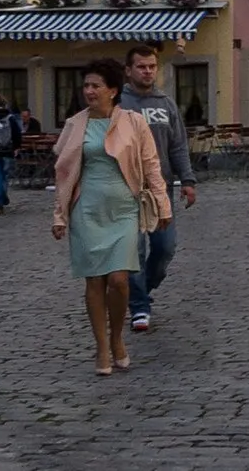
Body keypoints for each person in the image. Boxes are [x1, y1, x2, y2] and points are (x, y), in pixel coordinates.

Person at [52, 58, 170, 377]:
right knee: (94, 280)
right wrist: (60, 215)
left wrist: (163, 204)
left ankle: (117, 337)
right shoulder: (76, 124)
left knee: (119, 280)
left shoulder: (134, 122)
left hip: (123, 209)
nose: (89, 91)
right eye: (86, 85)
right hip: (87, 209)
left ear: (112, 91)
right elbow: (63, 174)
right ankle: (102, 347)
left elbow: (151, 166)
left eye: (96, 86)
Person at [121, 44, 196, 331]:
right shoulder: (118, 104)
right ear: (129, 70)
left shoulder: (166, 103)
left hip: (160, 188)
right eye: (141, 66)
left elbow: (178, 145)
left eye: (152, 66)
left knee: (165, 248)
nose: (148, 71)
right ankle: (139, 307)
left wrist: (187, 180)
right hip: (126, 191)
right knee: (135, 251)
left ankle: (137, 292)